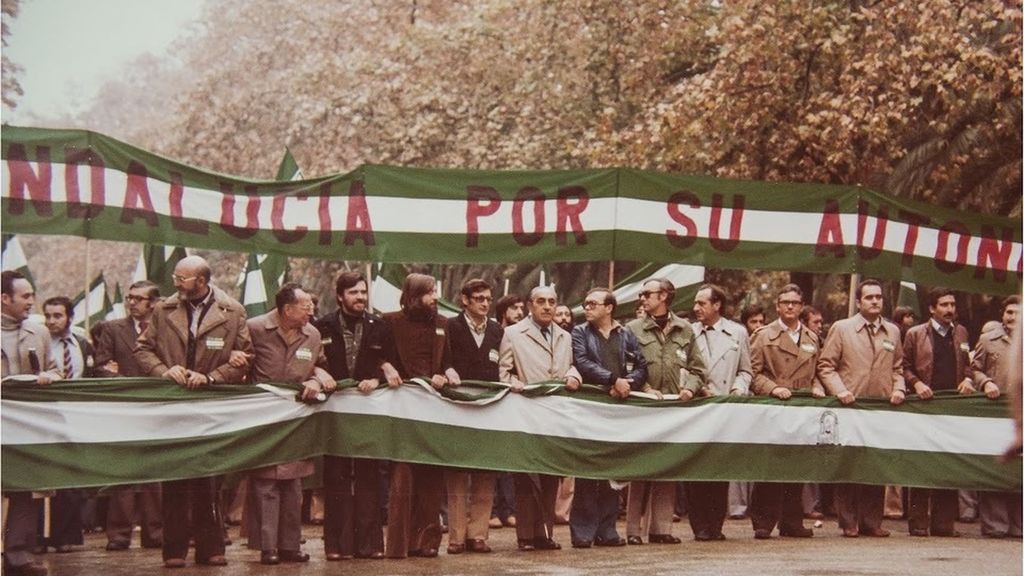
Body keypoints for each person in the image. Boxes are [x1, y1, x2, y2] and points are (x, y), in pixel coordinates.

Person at [134, 255, 253, 568]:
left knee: (209, 478)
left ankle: (212, 548)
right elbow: (143, 349)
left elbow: (245, 357)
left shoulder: (233, 312)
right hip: (173, 402)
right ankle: (173, 550)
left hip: (211, 402)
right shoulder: (163, 309)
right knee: (175, 476)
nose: (175, 283)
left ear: (202, 281)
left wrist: (212, 377)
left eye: (181, 278)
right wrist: (163, 370)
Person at [245, 283, 335, 564]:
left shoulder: (313, 334)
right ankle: (267, 546)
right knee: (266, 483)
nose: (311, 310)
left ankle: (290, 545)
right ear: (287, 309)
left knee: (293, 483)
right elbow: (242, 364)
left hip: (297, 417)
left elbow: (321, 364)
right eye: (305, 306)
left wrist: (315, 378)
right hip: (265, 417)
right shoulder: (255, 328)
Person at [314, 271, 399, 560]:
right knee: (336, 476)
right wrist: (318, 371)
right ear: (340, 296)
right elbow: (312, 360)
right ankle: (336, 546)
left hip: (367, 411)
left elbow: (390, 363)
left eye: (363, 292)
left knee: (369, 475)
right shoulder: (322, 325)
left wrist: (377, 377)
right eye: (354, 293)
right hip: (334, 411)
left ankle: (371, 545)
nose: (360, 297)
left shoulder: (380, 325)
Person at [818, 278, 906, 538]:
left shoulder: (893, 331)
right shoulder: (842, 328)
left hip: (880, 409)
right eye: (869, 297)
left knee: (875, 464)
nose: (876, 301)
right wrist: (840, 390)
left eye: (879, 297)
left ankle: (872, 521)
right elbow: (826, 365)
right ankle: (848, 522)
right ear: (858, 302)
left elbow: (898, 367)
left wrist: (898, 388)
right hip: (850, 406)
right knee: (849, 464)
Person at [499, 285, 582, 552]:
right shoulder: (512, 333)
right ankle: (525, 535)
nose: (547, 306)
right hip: (525, 412)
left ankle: (544, 533)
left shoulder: (564, 336)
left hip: (554, 413)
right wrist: (515, 385)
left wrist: (574, 376)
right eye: (541, 301)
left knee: (550, 475)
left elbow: (571, 365)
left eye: (552, 302)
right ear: (530, 305)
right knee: (526, 477)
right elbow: (504, 372)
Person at [625, 278, 707, 545]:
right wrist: (644, 387)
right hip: (643, 405)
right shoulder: (633, 328)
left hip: (674, 406)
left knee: (667, 467)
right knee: (640, 469)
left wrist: (690, 390)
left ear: (664, 296)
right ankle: (633, 530)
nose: (642, 299)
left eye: (646, 294)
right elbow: (626, 366)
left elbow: (698, 369)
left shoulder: (685, 329)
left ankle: (661, 529)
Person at [569, 287, 647, 549]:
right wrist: (613, 379)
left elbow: (641, 366)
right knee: (588, 468)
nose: (587, 307)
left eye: (592, 303)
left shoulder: (626, 334)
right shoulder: (580, 332)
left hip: (619, 408)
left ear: (609, 307)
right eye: (585, 303)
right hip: (591, 407)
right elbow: (581, 362)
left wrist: (628, 383)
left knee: (614, 469)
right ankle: (583, 531)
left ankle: (608, 529)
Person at [748, 284, 823, 539]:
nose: (790, 306)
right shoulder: (762, 336)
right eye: (785, 302)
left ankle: (792, 521)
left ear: (801, 307)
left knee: (797, 465)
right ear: (777, 307)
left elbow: (817, 372)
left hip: (801, 407)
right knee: (770, 465)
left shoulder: (812, 339)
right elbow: (752, 374)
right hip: (774, 406)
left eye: (795, 302)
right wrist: (773, 388)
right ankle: (763, 521)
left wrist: (817, 387)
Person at [94, 281, 164, 552]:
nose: (132, 302)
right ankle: (119, 534)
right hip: (123, 407)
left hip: (156, 407)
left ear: (153, 303)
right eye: (129, 298)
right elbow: (101, 367)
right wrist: (126, 383)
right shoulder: (112, 329)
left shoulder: (164, 329)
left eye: (139, 299)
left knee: (154, 473)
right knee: (123, 472)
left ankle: (154, 532)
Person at [383, 273, 448, 559]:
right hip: (402, 410)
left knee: (433, 476)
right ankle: (400, 545)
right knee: (403, 476)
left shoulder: (444, 324)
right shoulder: (390, 322)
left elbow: (450, 362)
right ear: (413, 294)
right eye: (430, 292)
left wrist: (448, 372)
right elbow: (376, 355)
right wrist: (384, 366)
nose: (435, 297)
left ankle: (428, 542)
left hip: (433, 410)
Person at [901, 287, 972, 537]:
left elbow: (969, 365)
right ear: (932, 308)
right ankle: (918, 522)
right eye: (943, 305)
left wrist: (968, 379)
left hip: (951, 408)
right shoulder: (915, 334)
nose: (949, 309)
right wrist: (916, 383)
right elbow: (904, 366)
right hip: (924, 406)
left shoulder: (961, 332)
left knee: (948, 463)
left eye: (952, 304)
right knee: (922, 463)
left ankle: (943, 524)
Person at [2, 270, 60, 576]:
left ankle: (18, 555)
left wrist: (50, 377)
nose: (30, 302)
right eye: (25, 296)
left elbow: (56, 371)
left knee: (25, 488)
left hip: (25, 426)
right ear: (4, 299)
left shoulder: (39, 333)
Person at [440, 279, 504, 554]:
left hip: (489, 407)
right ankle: (456, 536)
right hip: (458, 406)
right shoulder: (450, 327)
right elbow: (441, 358)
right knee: (457, 473)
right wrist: (447, 369)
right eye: (478, 298)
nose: (484, 303)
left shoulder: (497, 330)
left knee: (485, 471)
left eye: (488, 298)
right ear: (464, 300)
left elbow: (504, 362)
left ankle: (478, 534)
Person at [688, 283, 751, 541]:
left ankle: (715, 525)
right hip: (697, 407)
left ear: (717, 305)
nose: (696, 308)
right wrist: (700, 389)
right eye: (695, 303)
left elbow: (746, 370)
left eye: (702, 303)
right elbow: (684, 368)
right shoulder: (688, 331)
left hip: (725, 408)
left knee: (719, 466)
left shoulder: (738, 332)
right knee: (695, 467)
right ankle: (699, 525)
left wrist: (738, 389)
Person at [39, 296, 97, 553]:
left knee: (70, 478)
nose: (52, 321)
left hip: (76, 417)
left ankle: (65, 537)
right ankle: (39, 537)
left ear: (70, 318)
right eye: (48, 316)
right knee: (43, 480)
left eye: (57, 316)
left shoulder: (82, 344)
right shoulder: (39, 342)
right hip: (44, 417)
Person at [970, 295, 1022, 538]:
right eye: (1009, 312)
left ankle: (1019, 525)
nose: (1013, 317)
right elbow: (973, 369)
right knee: (994, 466)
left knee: (1018, 470)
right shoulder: (987, 340)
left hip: (1018, 415)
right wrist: (986, 382)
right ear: (1003, 314)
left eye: (1018, 312)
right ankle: (995, 525)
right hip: (992, 413)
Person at [490, 293, 523, 529]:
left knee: (510, 460)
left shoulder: (523, 335)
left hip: (515, 401)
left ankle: (510, 510)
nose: (520, 312)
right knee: (491, 461)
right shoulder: (493, 333)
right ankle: (491, 511)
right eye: (515, 308)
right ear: (503, 311)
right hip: (492, 400)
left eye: (522, 308)